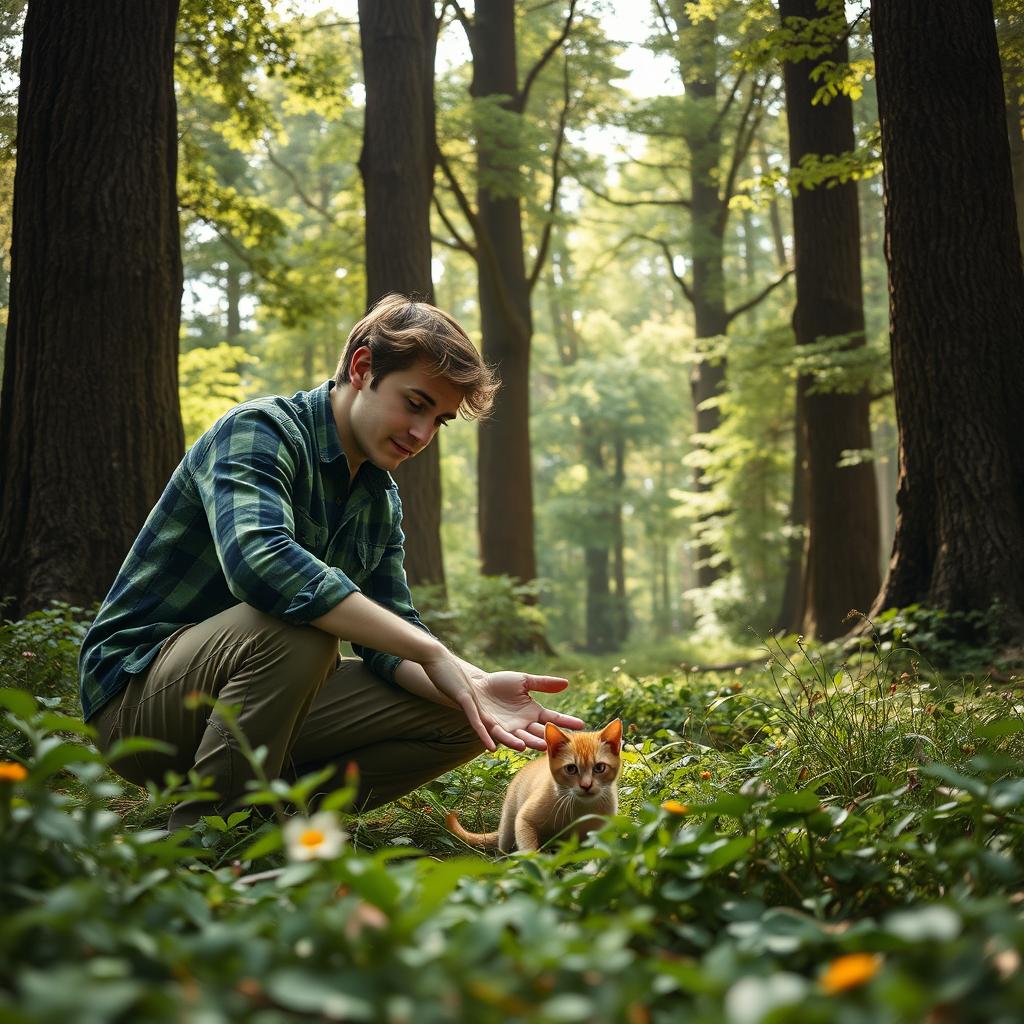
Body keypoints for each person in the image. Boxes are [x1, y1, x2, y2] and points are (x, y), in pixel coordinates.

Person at [79, 294, 583, 830]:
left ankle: (281, 823)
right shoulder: (259, 431)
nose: (422, 435)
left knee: (464, 715)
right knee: (298, 628)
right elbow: (261, 565)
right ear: (363, 368)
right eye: (415, 404)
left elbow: (391, 636)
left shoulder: (380, 498)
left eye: (439, 420)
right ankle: (210, 836)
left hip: (252, 706)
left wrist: (471, 682)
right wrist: (432, 651)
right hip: (137, 706)